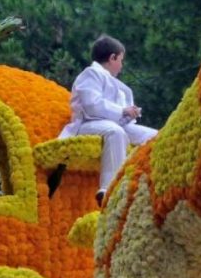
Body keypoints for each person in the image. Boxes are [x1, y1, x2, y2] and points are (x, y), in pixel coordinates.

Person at [58, 35, 158, 204]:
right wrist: (122, 110)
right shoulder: (91, 74)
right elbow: (92, 105)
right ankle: (109, 188)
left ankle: (151, 184)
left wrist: (128, 114)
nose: (122, 65)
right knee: (115, 132)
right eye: (120, 60)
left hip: (110, 124)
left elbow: (116, 115)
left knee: (154, 137)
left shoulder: (115, 83)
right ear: (112, 58)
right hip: (85, 124)